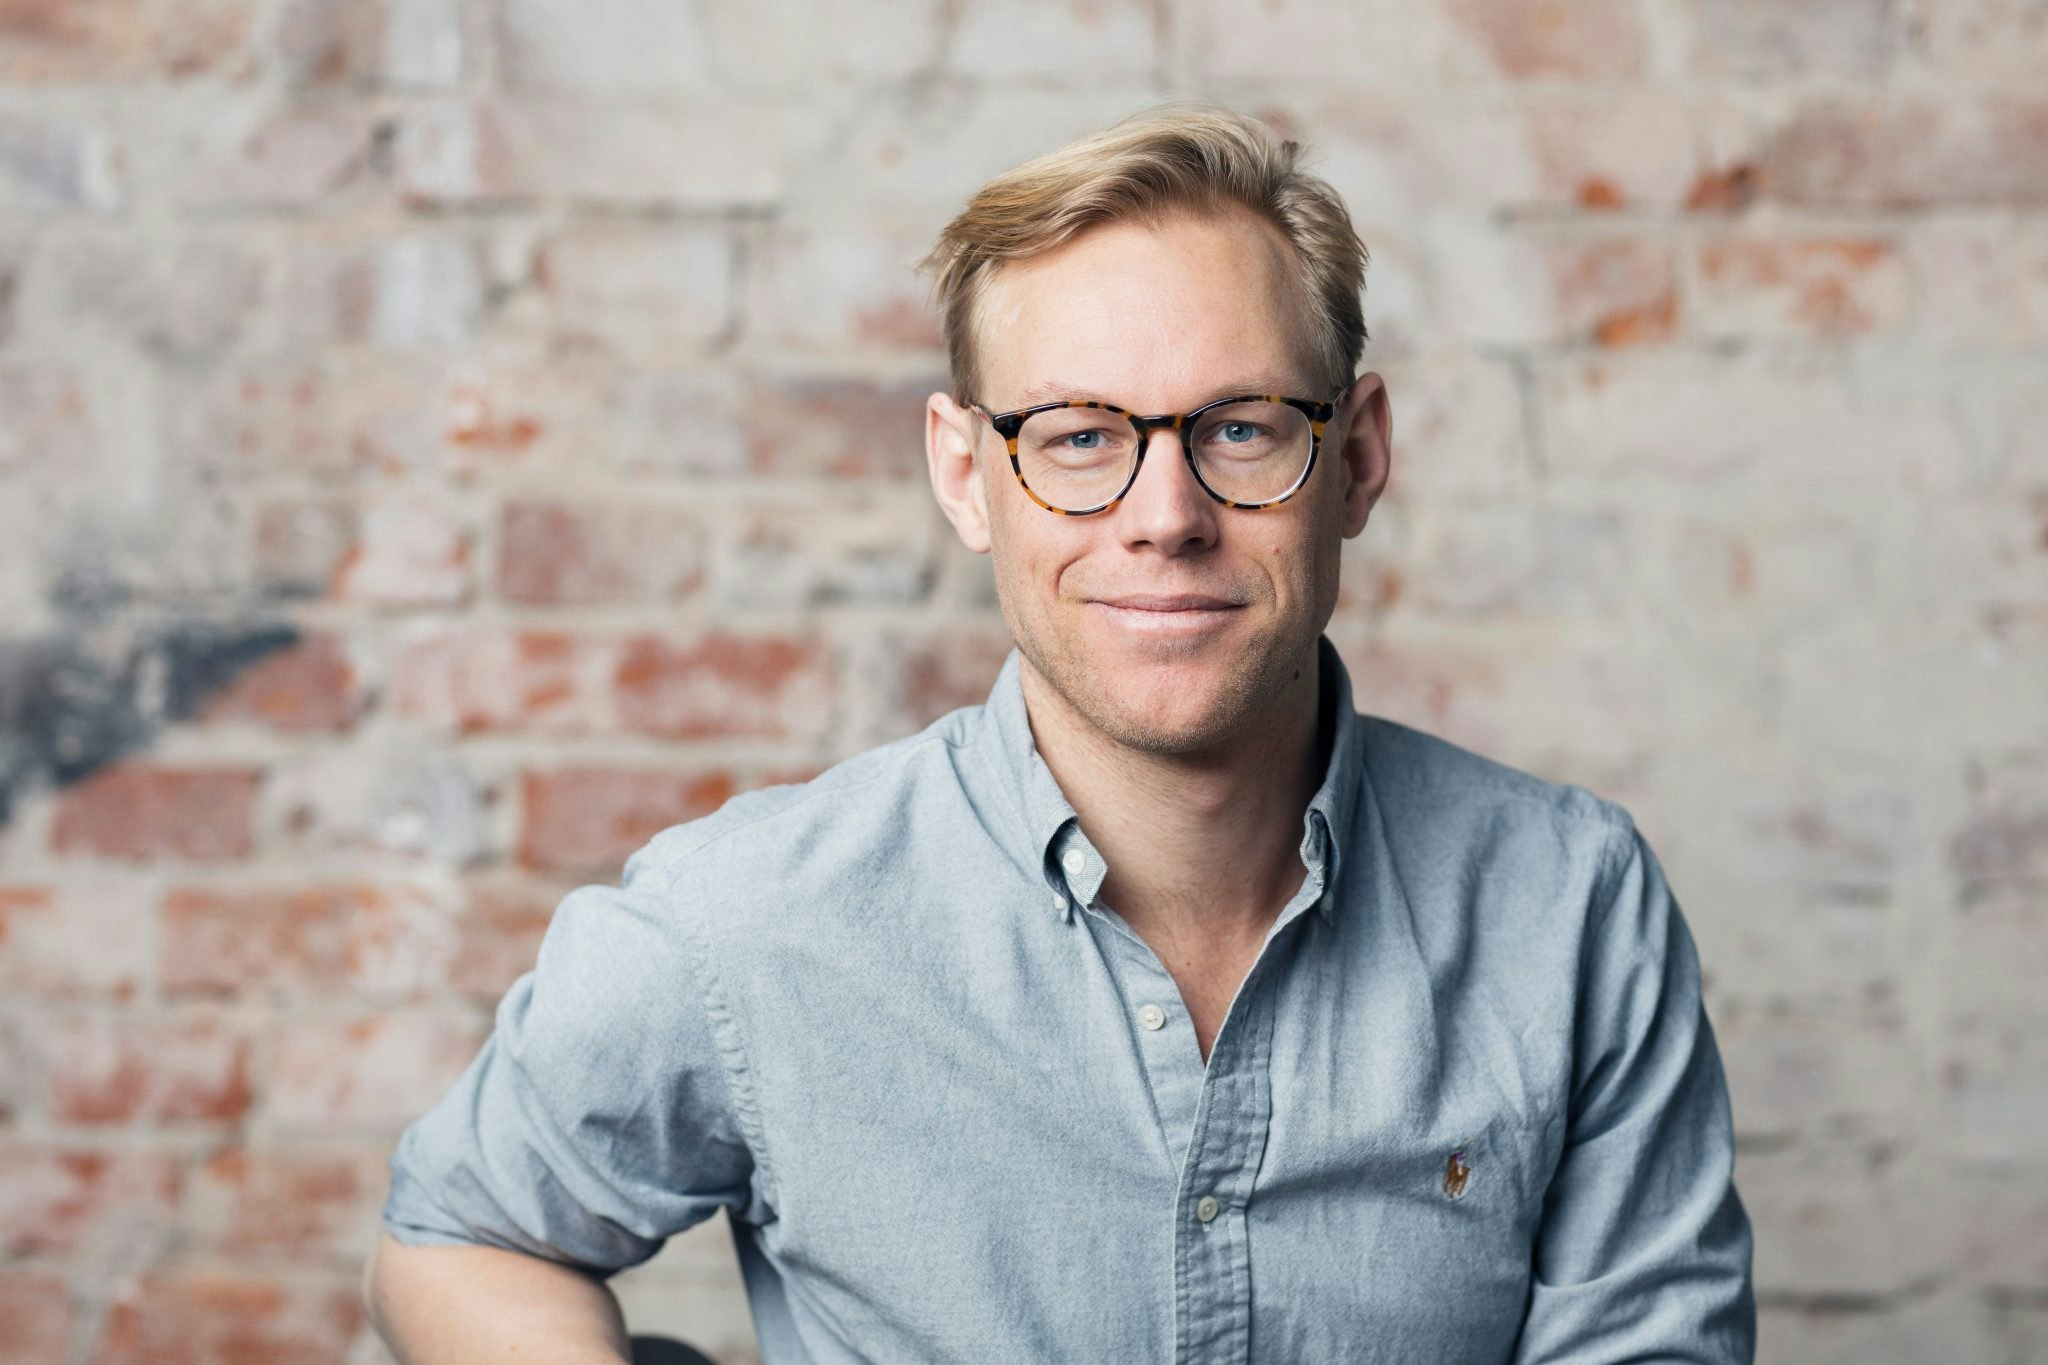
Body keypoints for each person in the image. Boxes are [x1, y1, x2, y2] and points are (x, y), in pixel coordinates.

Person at [363, 102, 1756, 1364]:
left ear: (1360, 458)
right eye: (1080, 438)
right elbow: (462, 1233)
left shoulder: (1571, 908)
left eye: (1244, 427)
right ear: (969, 476)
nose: (1166, 514)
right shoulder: (751, 921)